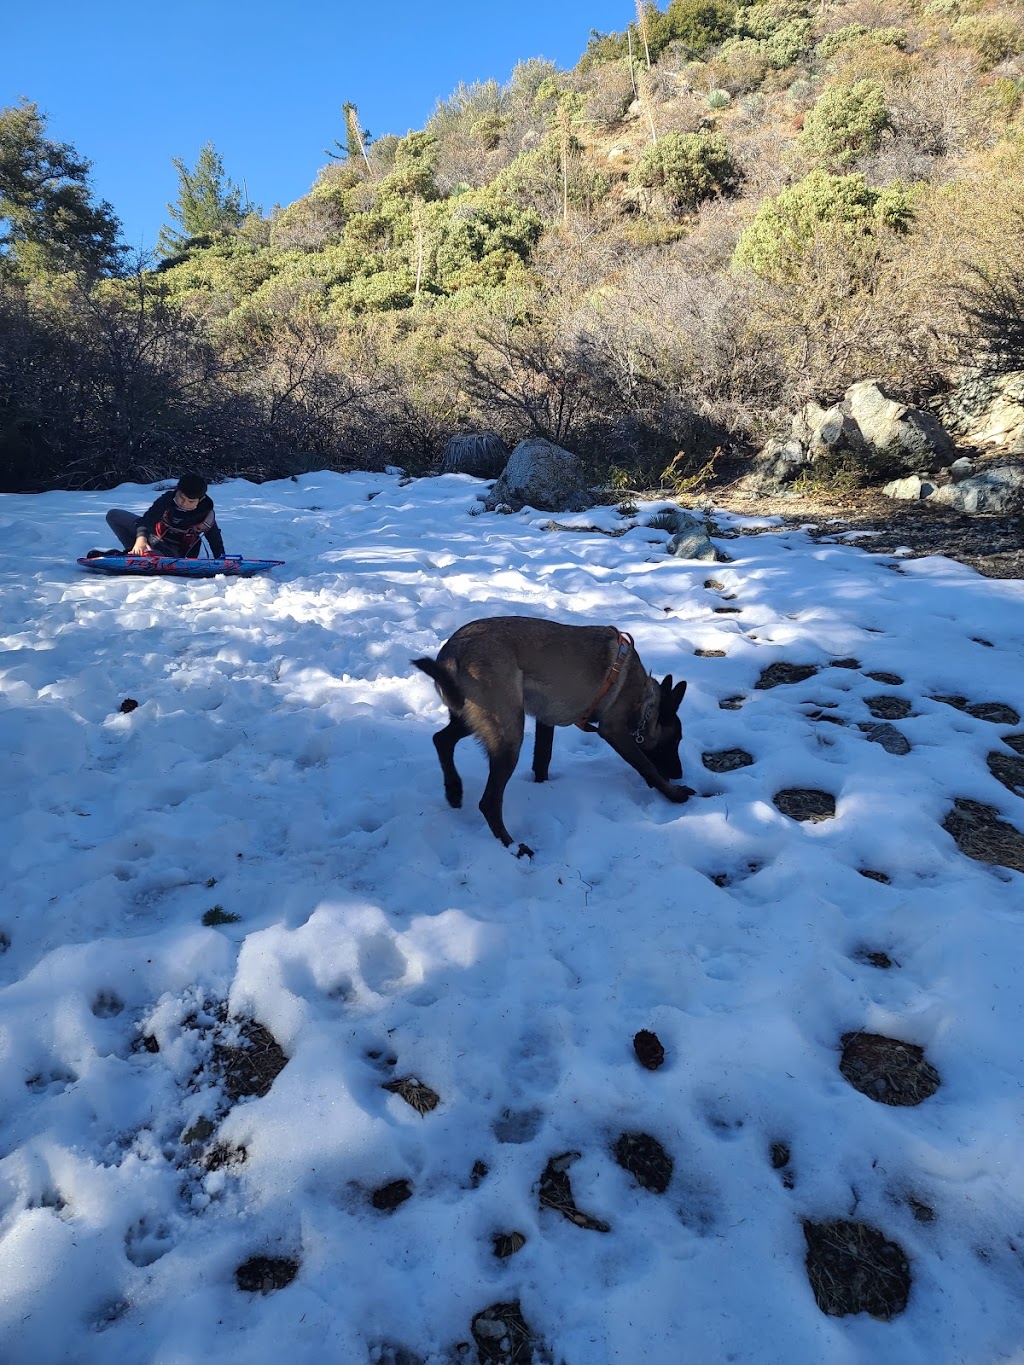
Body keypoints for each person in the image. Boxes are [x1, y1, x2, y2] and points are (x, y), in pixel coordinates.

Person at [93, 475, 226, 559]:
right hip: (152, 537)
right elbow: (148, 519)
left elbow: (215, 540)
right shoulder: (168, 499)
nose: (183, 503)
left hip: (174, 552)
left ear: (200, 500)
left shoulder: (206, 513)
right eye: (181, 497)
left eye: (190, 501)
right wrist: (141, 538)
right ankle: (135, 551)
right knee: (114, 515)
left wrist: (221, 560)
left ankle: (133, 556)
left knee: (153, 559)